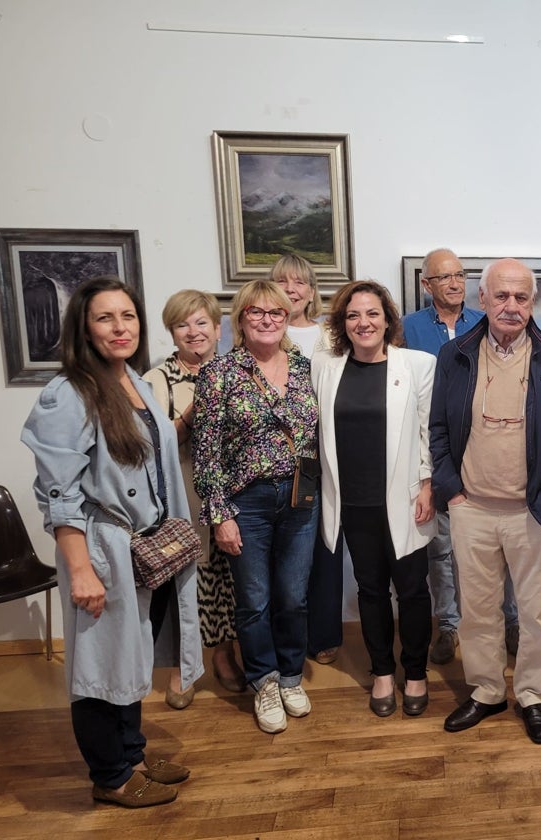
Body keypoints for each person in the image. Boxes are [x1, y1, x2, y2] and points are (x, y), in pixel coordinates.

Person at [22, 276, 201, 808]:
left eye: (128, 316)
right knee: (99, 667)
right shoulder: (68, 393)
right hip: (103, 550)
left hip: (149, 548)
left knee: (133, 656)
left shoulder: (133, 382)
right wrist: (80, 569)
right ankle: (110, 775)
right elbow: (59, 492)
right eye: (105, 317)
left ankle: (134, 754)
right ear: (84, 326)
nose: (120, 327)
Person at [430, 258, 541, 745]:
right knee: (477, 611)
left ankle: (532, 694)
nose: (511, 306)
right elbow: (437, 428)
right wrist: (450, 490)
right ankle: (485, 691)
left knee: (534, 611)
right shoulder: (455, 355)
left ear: (534, 302)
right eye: (501, 296)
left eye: (521, 297)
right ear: (482, 299)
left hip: (535, 510)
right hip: (472, 509)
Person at [192, 279, 320, 734]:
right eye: (256, 313)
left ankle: (289, 676)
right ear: (240, 318)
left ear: (287, 319)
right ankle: (263, 680)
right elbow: (205, 452)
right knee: (254, 600)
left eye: (277, 313)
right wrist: (220, 514)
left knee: (292, 596)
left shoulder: (304, 368)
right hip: (246, 502)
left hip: (301, 497)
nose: (267, 320)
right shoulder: (219, 374)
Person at [312, 280, 436, 717]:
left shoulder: (418, 365)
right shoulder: (325, 368)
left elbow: (427, 431)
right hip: (352, 502)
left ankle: (415, 672)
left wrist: (427, 485)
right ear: (342, 324)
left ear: (388, 320)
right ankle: (382, 672)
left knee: (414, 590)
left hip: (405, 500)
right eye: (353, 315)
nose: (363, 322)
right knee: (370, 590)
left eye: (372, 314)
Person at [402, 247, 520, 664]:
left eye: (460, 275)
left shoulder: (485, 323)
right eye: (444, 278)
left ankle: (511, 620)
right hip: (435, 451)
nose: (454, 284)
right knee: (443, 548)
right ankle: (449, 625)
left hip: (487, 451)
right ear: (426, 285)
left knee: (502, 544)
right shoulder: (407, 329)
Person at [144, 290, 246, 703]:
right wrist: (193, 410)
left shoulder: (236, 370)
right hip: (185, 496)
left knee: (229, 581)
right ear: (172, 332)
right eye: (183, 324)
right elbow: (154, 444)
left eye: (202, 322)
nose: (194, 331)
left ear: (218, 329)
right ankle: (183, 669)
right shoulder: (156, 379)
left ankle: (225, 656)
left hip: (236, 496)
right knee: (186, 584)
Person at [269, 255, 345, 669]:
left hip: (324, 456)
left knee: (325, 545)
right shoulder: (260, 334)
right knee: (279, 557)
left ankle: (325, 634)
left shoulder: (330, 335)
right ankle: (284, 642)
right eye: (282, 281)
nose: (291, 289)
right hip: (273, 461)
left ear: (312, 292)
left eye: (299, 283)